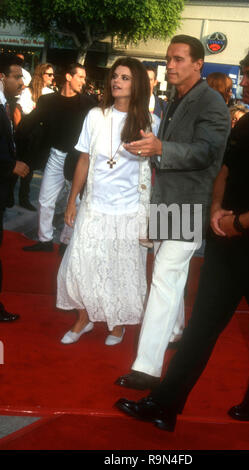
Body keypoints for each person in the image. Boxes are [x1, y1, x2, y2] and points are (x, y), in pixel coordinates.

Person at [115, 44, 249, 432]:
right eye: (168, 59)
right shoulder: (243, 122)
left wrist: (241, 222)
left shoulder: (228, 108)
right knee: (195, 317)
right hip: (207, 224)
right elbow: (224, 170)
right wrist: (218, 211)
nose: (241, 81)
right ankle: (164, 403)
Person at [115, 35, 230, 390]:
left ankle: (147, 367)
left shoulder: (210, 103)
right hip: (169, 199)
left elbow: (206, 152)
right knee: (168, 272)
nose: (172, 65)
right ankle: (176, 329)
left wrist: (161, 146)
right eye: (169, 59)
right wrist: (153, 148)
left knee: (164, 277)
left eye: (179, 59)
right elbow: (174, 151)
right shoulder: (176, 99)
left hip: (190, 202)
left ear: (199, 64)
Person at [56, 57, 160, 345]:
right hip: (94, 205)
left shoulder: (152, 123)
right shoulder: (95, 116)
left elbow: (159, 169)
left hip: (128, 210)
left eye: (125, 77)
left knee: (120, 269)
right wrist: (72, 200)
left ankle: (117, 324)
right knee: (81, 264)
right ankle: (84, 317)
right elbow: (84, 160)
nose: (116, 81)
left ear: (137, 83)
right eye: (115, 76)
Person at [22, 63, 94, 253]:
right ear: (69, 77)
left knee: (76, 203)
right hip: (55, 155)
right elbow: (29, 123)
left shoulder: (88, 104)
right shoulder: (48, 100)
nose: (83, 82)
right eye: (80, 77)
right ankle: (44, 240)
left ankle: (66, 242)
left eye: (84, 78)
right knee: (45, 200)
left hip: (78, 160)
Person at [0, 53, 30, 321]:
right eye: (17, 76)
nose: (22, 82)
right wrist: (9, 165)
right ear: (2, 77)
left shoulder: (6, 105)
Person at [15, 63, 55, 211]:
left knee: (34, 167)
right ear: (41, 75)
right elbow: (18, 111)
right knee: (23, 166)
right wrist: (19, 132)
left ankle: (28, 198)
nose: (52, 77)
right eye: (49, 74)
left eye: (52, 74)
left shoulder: (51, 93)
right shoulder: (28, 92)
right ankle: (20, 198)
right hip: (27, 132)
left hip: (42, 134)